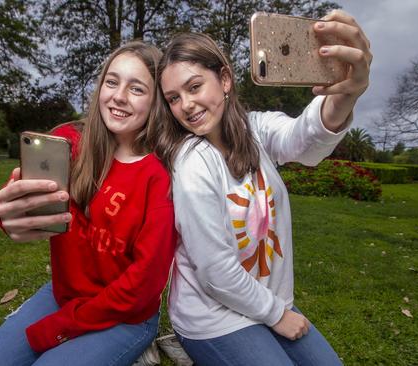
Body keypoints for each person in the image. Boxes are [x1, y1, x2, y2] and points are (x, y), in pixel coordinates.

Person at [154, 10, 371, 366]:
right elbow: (216, 272)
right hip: (212, 317)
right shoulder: (191, 160)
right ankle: (184, 346)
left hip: (267, 304)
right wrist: (277, 316)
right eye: (173, 98)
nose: (186, 105)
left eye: (194, 87)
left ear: (224, 79)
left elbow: (306, 140)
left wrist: (347, 93)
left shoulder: (255, 128)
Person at [0, 41, 176, 366]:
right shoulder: (70, 142)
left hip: (127, 316)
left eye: (136, 88)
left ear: (156, 102)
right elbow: (25, 198)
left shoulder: (159, 175)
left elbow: (143, 285)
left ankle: (139, 348)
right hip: (62, 295)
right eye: (112, 82)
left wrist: (60, 328)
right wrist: (8, 212)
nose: (119, 96)